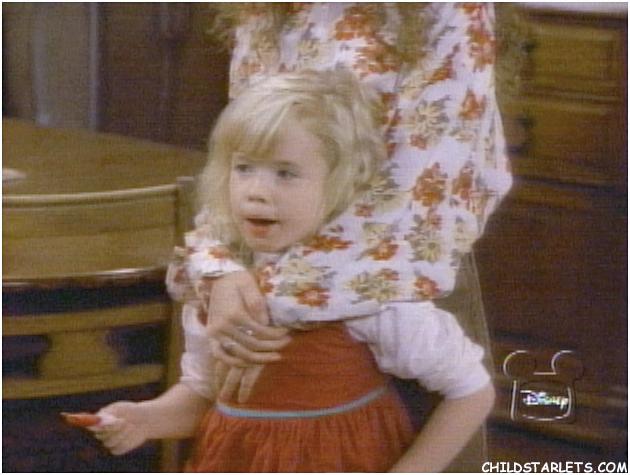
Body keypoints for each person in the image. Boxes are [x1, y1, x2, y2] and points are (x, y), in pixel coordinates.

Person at [85, 69, 495, 472]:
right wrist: (147, 419)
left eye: (285, 173)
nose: (256, 192)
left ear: (341, 183)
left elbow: (472, 392)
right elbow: (205, 392)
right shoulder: (216, 281)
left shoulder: (364, 288)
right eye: (244, 168)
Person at [166, 3, 513, 403]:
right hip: (262, 278)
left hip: (388, 290)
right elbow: (246, 151)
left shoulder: (447, 9)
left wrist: (264, 305)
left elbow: (416, 198)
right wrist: (220, 270)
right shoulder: (265, 8)